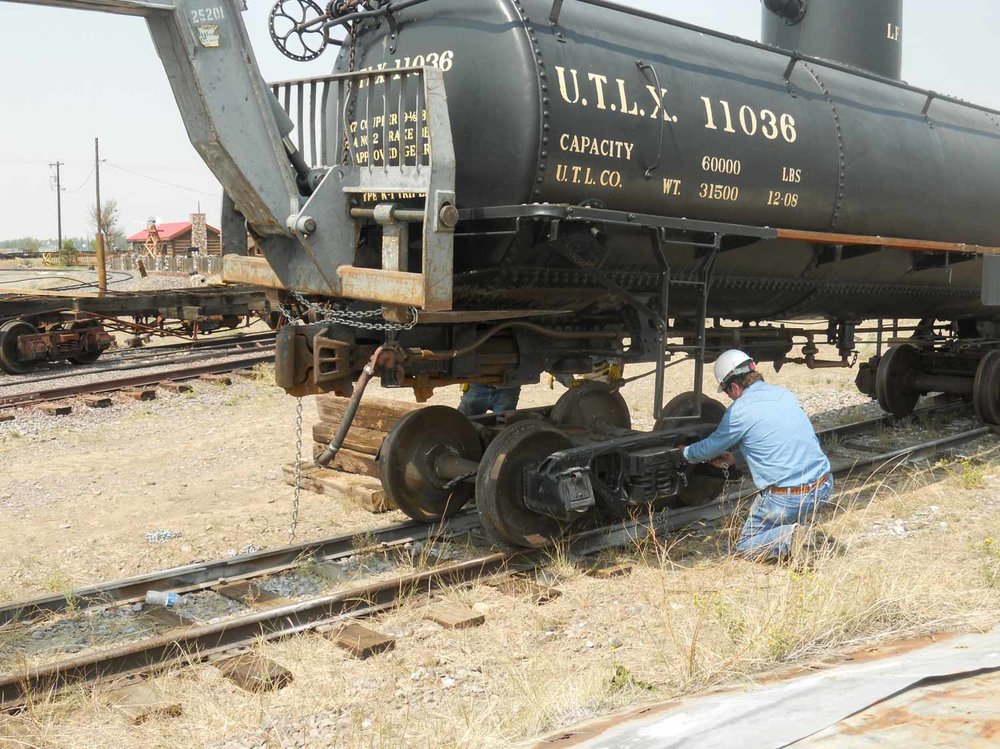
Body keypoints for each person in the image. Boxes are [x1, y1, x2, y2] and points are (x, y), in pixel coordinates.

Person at [681, 349, 837, 561]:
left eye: (727, 393)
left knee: (746, 545)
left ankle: (791, 537)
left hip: (788, 497)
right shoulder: (783, 394)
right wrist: (737, 458)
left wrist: (683, 452)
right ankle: (796, 529)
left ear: (734, 387)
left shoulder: (739, 411)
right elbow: (780, 441)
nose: (729, 398)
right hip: (823, 485)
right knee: (784, 511)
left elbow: (709, 448)